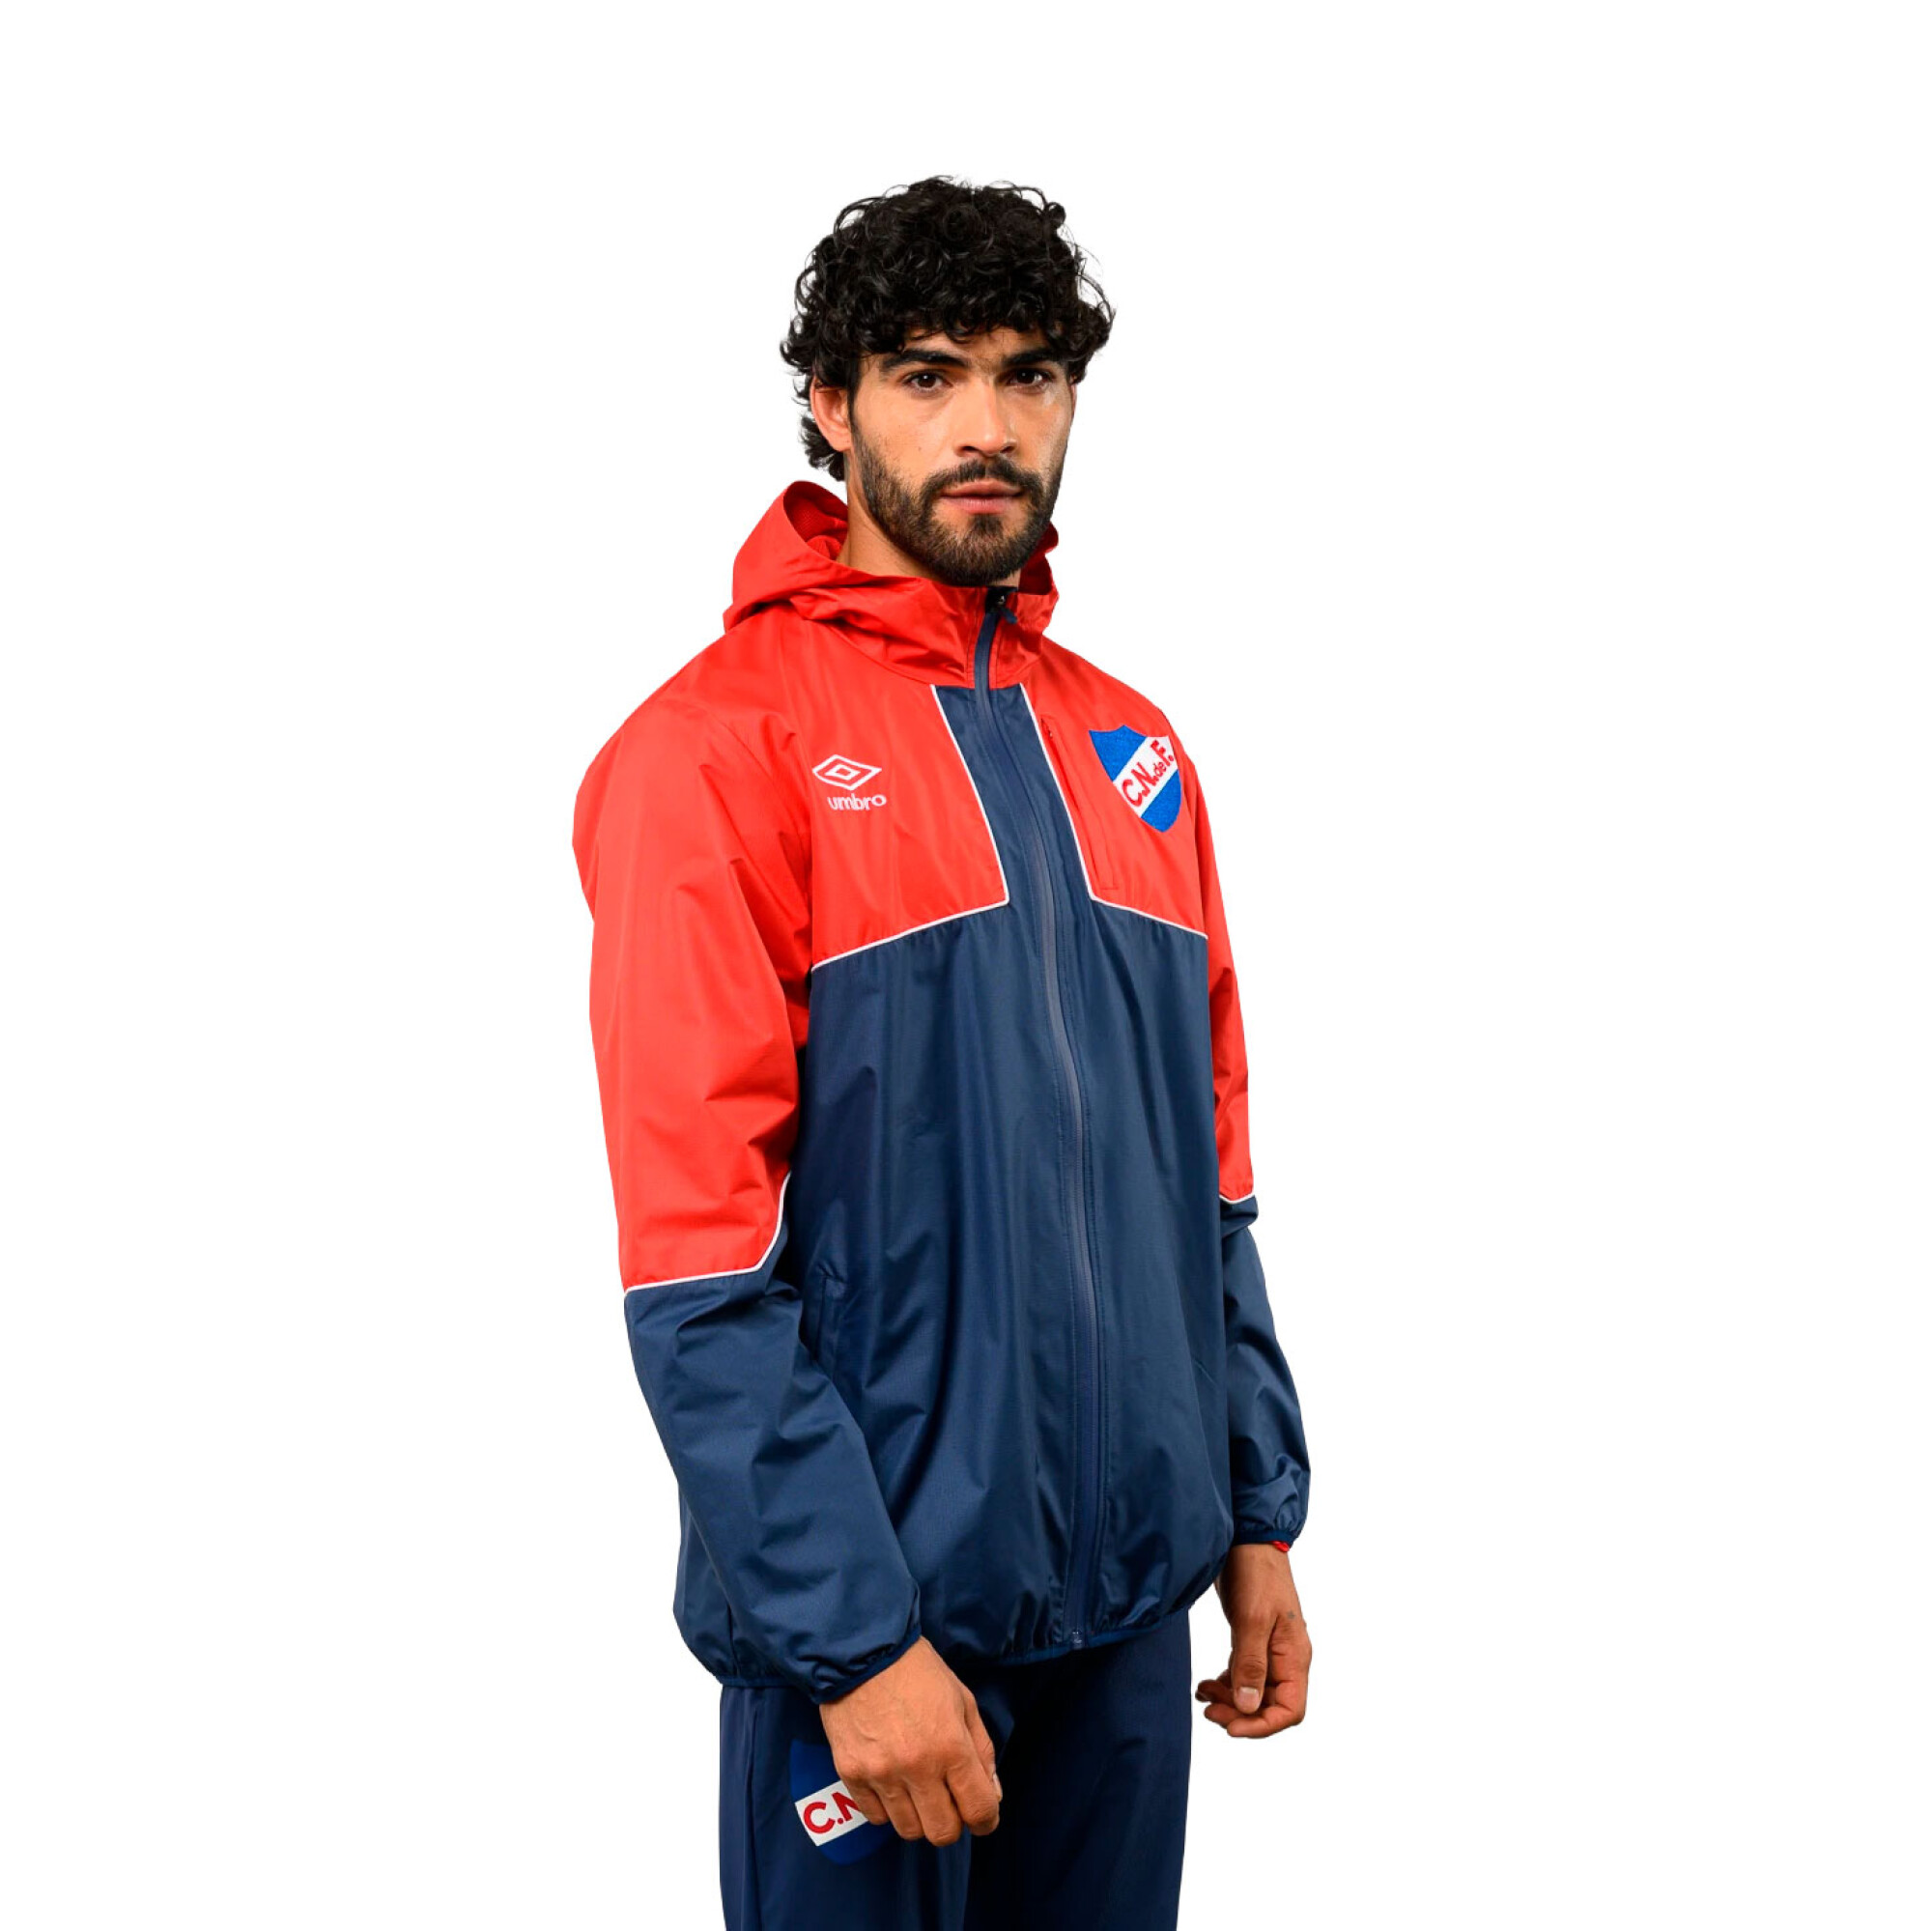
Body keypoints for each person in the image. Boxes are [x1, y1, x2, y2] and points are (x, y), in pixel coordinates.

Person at [572, 176, 1312, 1931]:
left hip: (1128, 1620)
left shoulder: (1136, 754)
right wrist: (853, 1639)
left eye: (1029, 374)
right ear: (831, 406)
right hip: (883, 1642)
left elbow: (1205, 1182)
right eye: (926, 374)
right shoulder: (714, 752)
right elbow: (698, 1259)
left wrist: (1256, 1511)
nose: (988, 427)